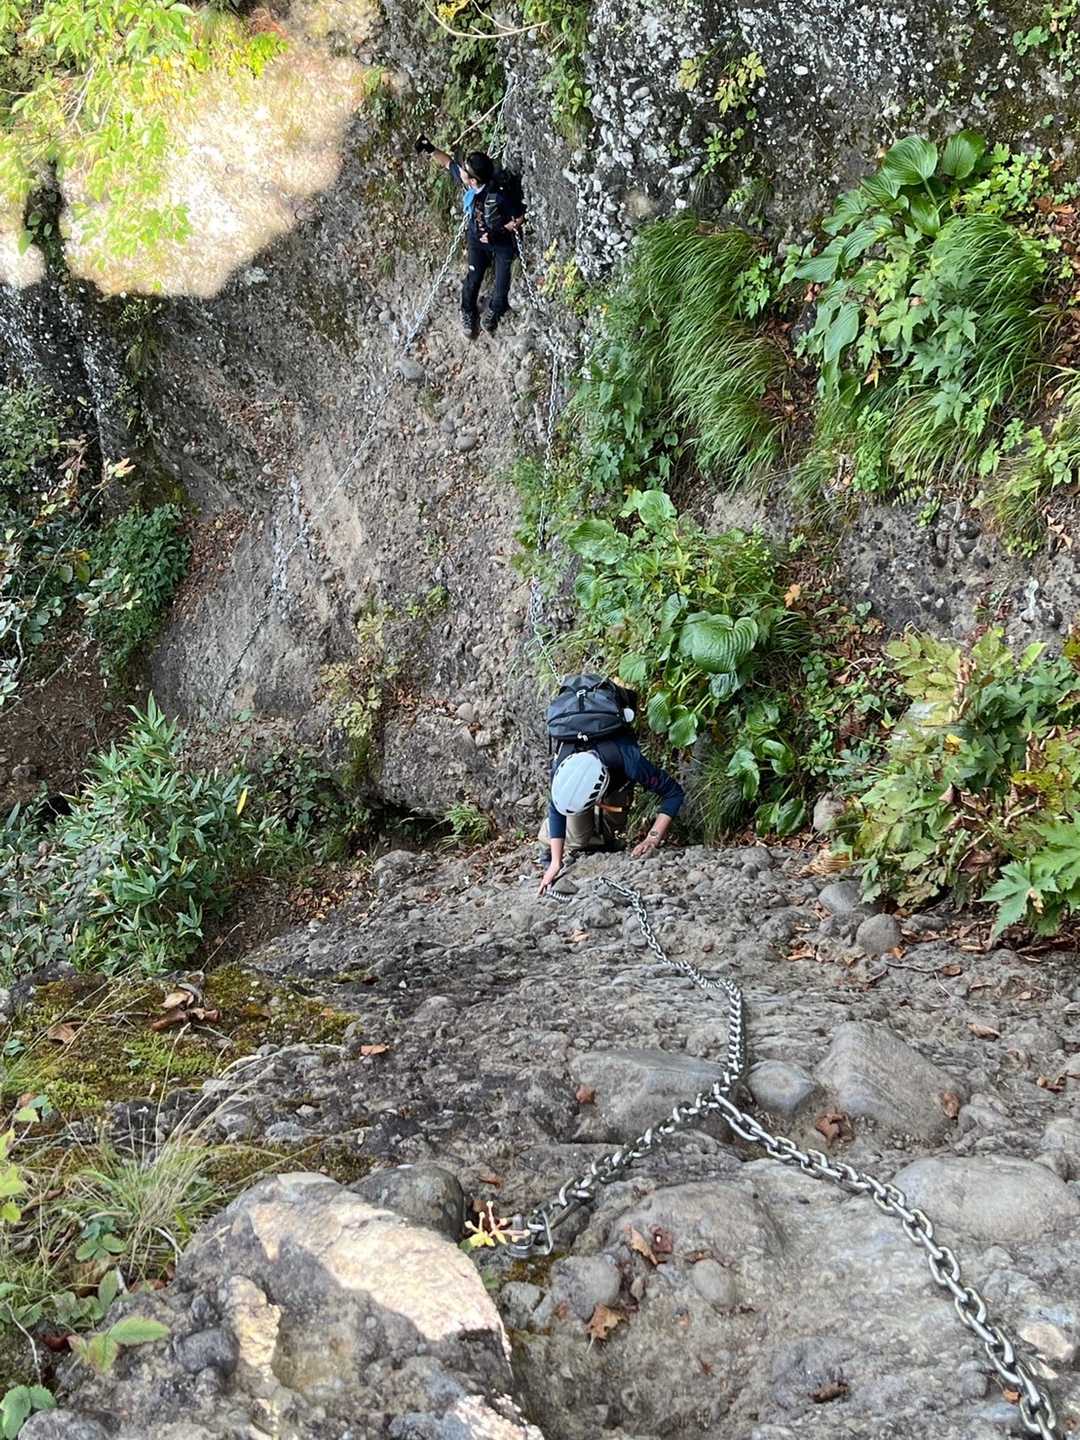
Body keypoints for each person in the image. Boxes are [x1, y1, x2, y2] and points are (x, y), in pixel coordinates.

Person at [537, 735, 685, 896]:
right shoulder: (564, 768)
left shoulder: (631, 762)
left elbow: (673, 793)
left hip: (617, 780)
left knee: (612, 826)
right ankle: (548, 834)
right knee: (577, 839)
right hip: (586, 783)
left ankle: (597, 838)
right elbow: (557, 808)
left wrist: (652, 837)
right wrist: (555, 862)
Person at [414, 134, 525, 338]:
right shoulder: (471, 183)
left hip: (501, 242)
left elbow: (518, 217)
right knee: (473, 279)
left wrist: (501, 231)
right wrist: (429, 148)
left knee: (501, 288)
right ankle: (467, 310)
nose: (461, 171)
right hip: (477, 239)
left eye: (465, 170)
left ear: (474, 180)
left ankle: (494, 312)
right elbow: (447, 163)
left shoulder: (499, 195)